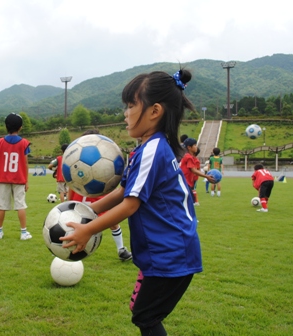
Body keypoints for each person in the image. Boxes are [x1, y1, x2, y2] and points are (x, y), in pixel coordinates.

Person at [61, 70, 203, 335]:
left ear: (154, 111)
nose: (125, 113)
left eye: (130, 106)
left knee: (145, 316)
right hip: (163, 251)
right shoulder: (146, 148)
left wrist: (88, 229)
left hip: (171, 253)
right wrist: (87, 210)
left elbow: (130, 205)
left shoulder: (153, 149)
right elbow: (123, 191)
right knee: (142, 313)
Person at [68, 129, 133, 261]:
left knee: (113, 222)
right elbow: (71, 184)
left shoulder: (102, 161)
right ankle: (63, 247)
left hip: (99, 197)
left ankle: (121, 249)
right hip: (79, 198)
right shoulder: (74, 162)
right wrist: (69, 203)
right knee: (71, 223)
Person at [0, 113, 32, 240]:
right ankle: (23, 232)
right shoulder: (24, 143)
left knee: (1, 205)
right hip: (19, 179)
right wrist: (26, 181)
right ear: (20, 127)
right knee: (20, 205)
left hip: (3, 178)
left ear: (6, 126)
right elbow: (25, 163)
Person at [180, 138, 215, 206]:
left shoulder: (187, 156)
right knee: (188, 205)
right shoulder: (188, 157)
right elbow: (194, 170)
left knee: (186, 204)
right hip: (185, 182)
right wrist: (206, 176)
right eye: (195, 145)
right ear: (189, 147)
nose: (196, 147)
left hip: (185, 182)